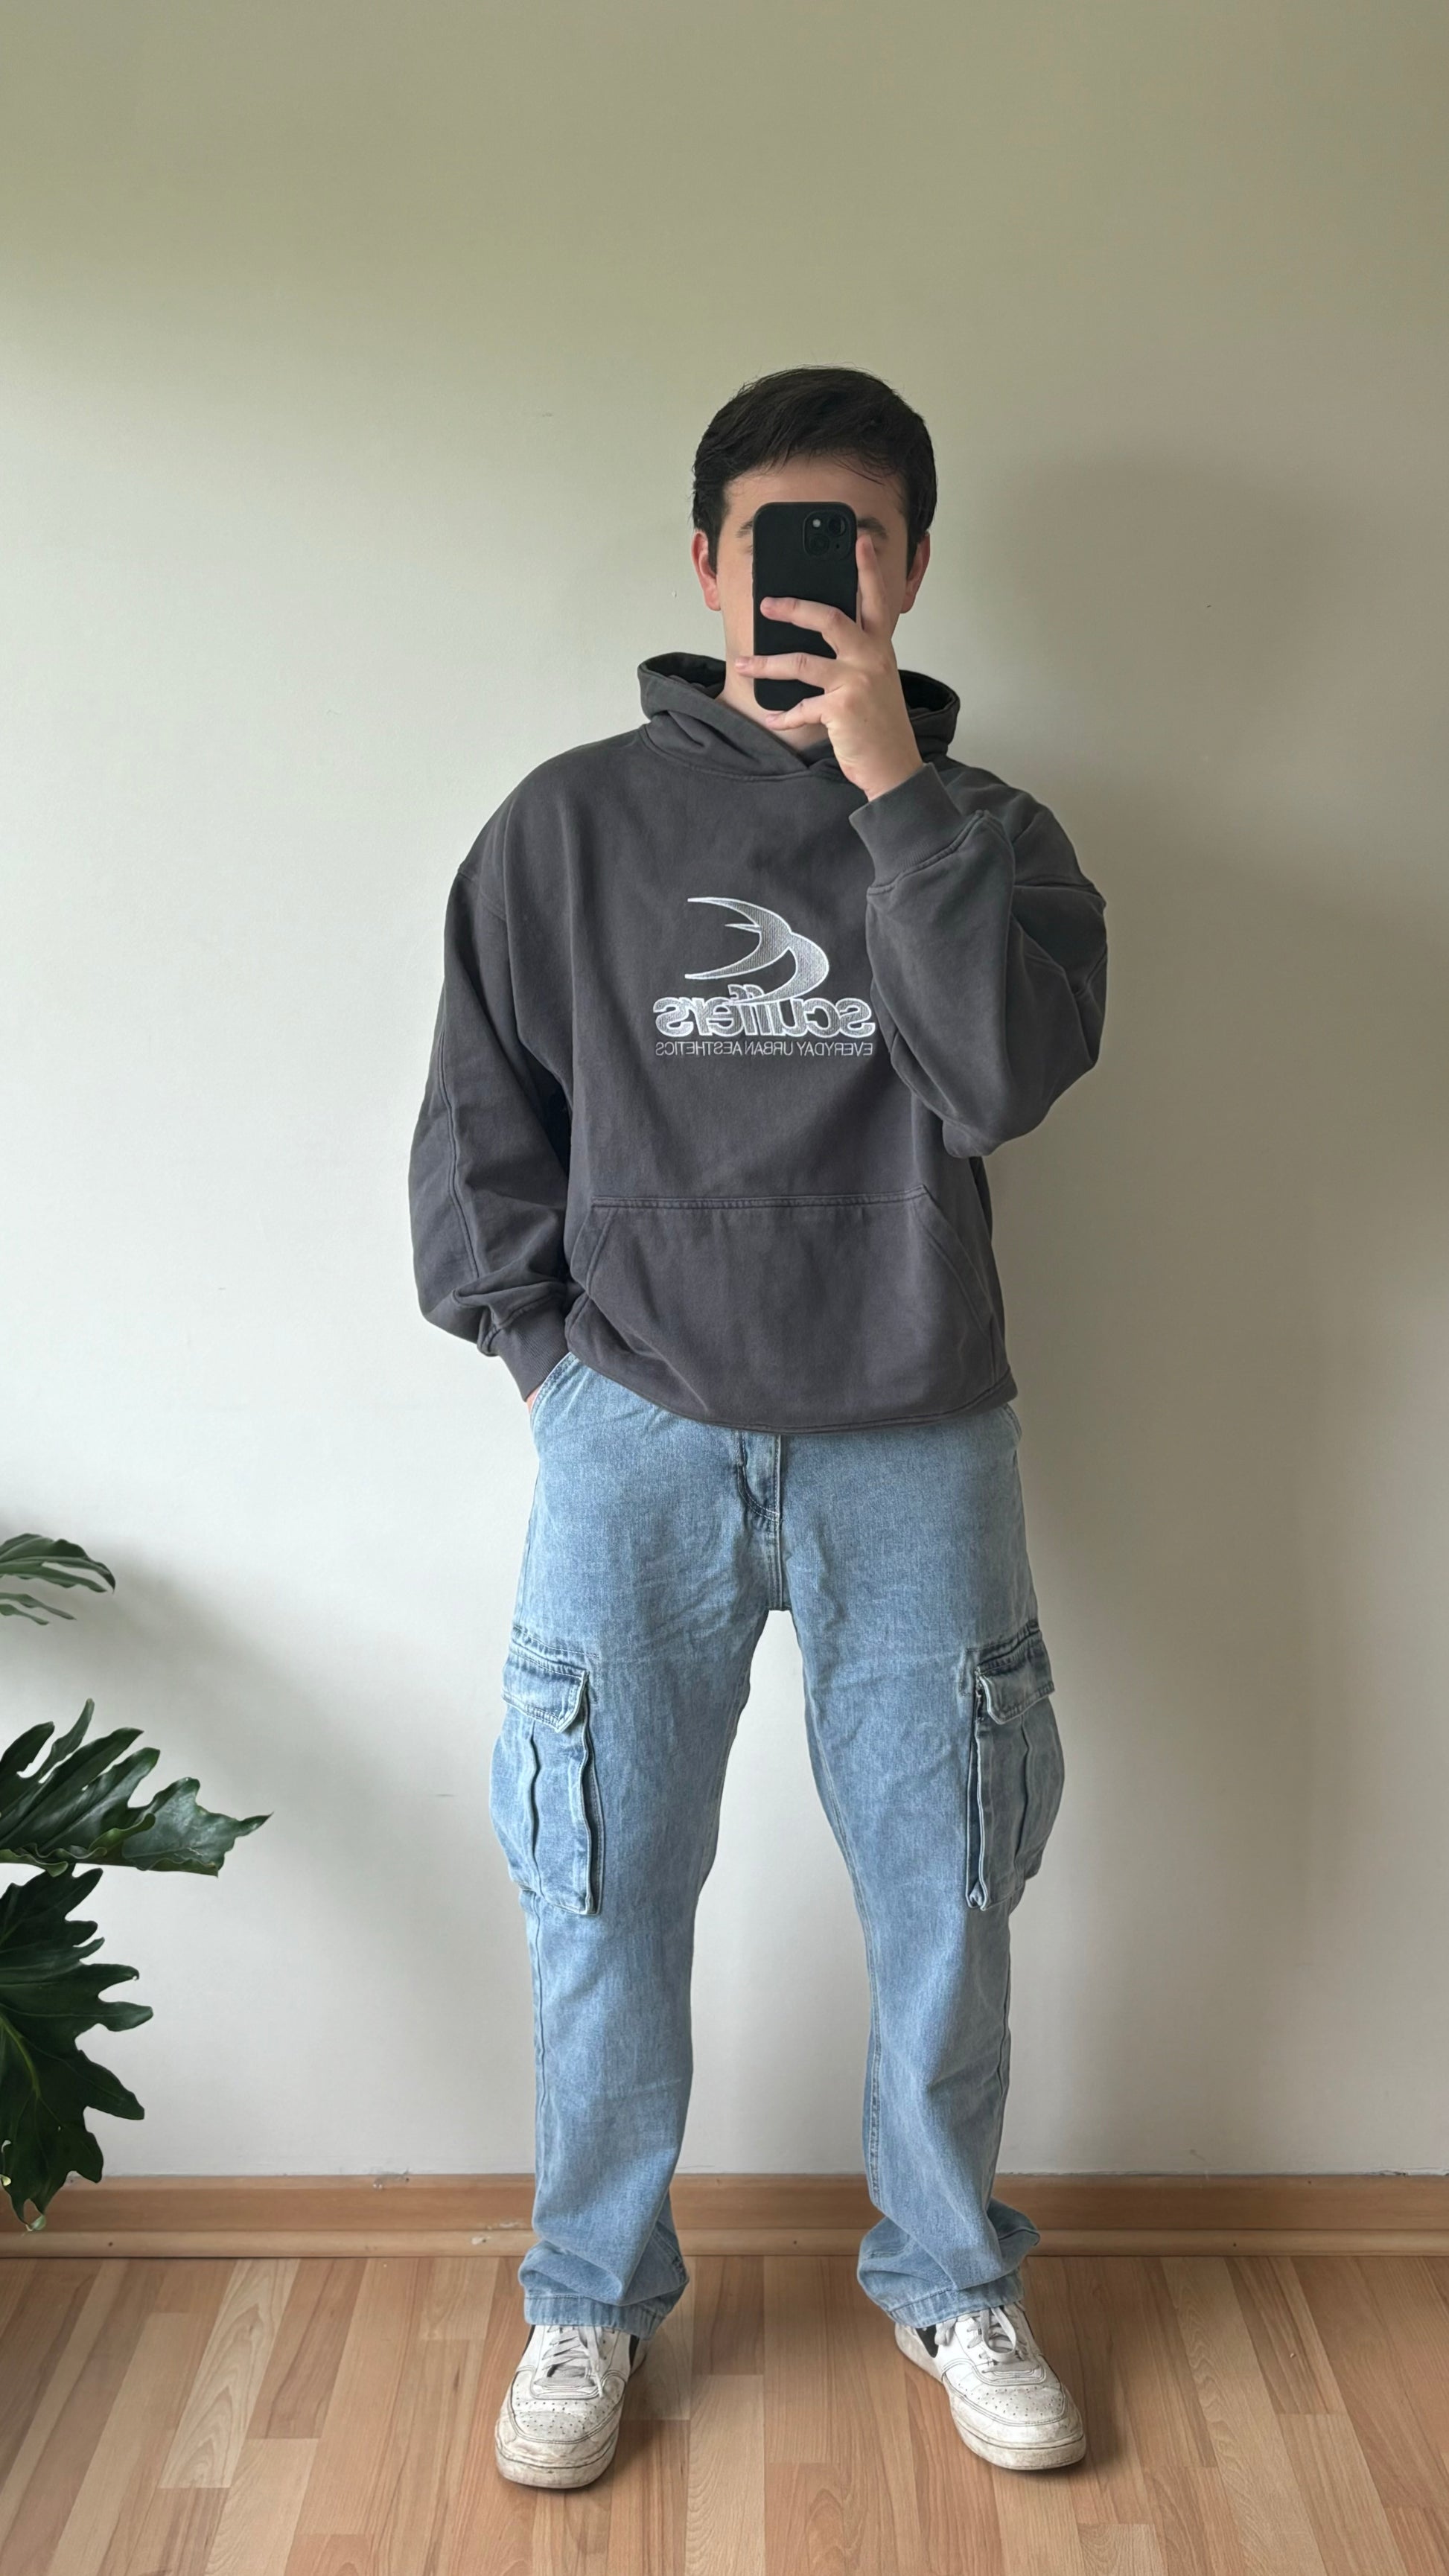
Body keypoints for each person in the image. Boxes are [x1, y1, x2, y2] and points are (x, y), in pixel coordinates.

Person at [408, 366, 1107, 2489]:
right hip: (637, 1434)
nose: (816, 577)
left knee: (945, 1893)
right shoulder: (564, 827)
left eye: (857, 542)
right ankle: (587, 2297)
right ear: (707, 562)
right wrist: (557, 1378)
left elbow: (996, 1084)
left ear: (912, 567)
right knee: (601, 1890)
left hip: (918, 1436)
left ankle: (951, 2274)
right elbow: (477, 1137)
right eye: (778, 540)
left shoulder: (994, 835)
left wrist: (894, 793)